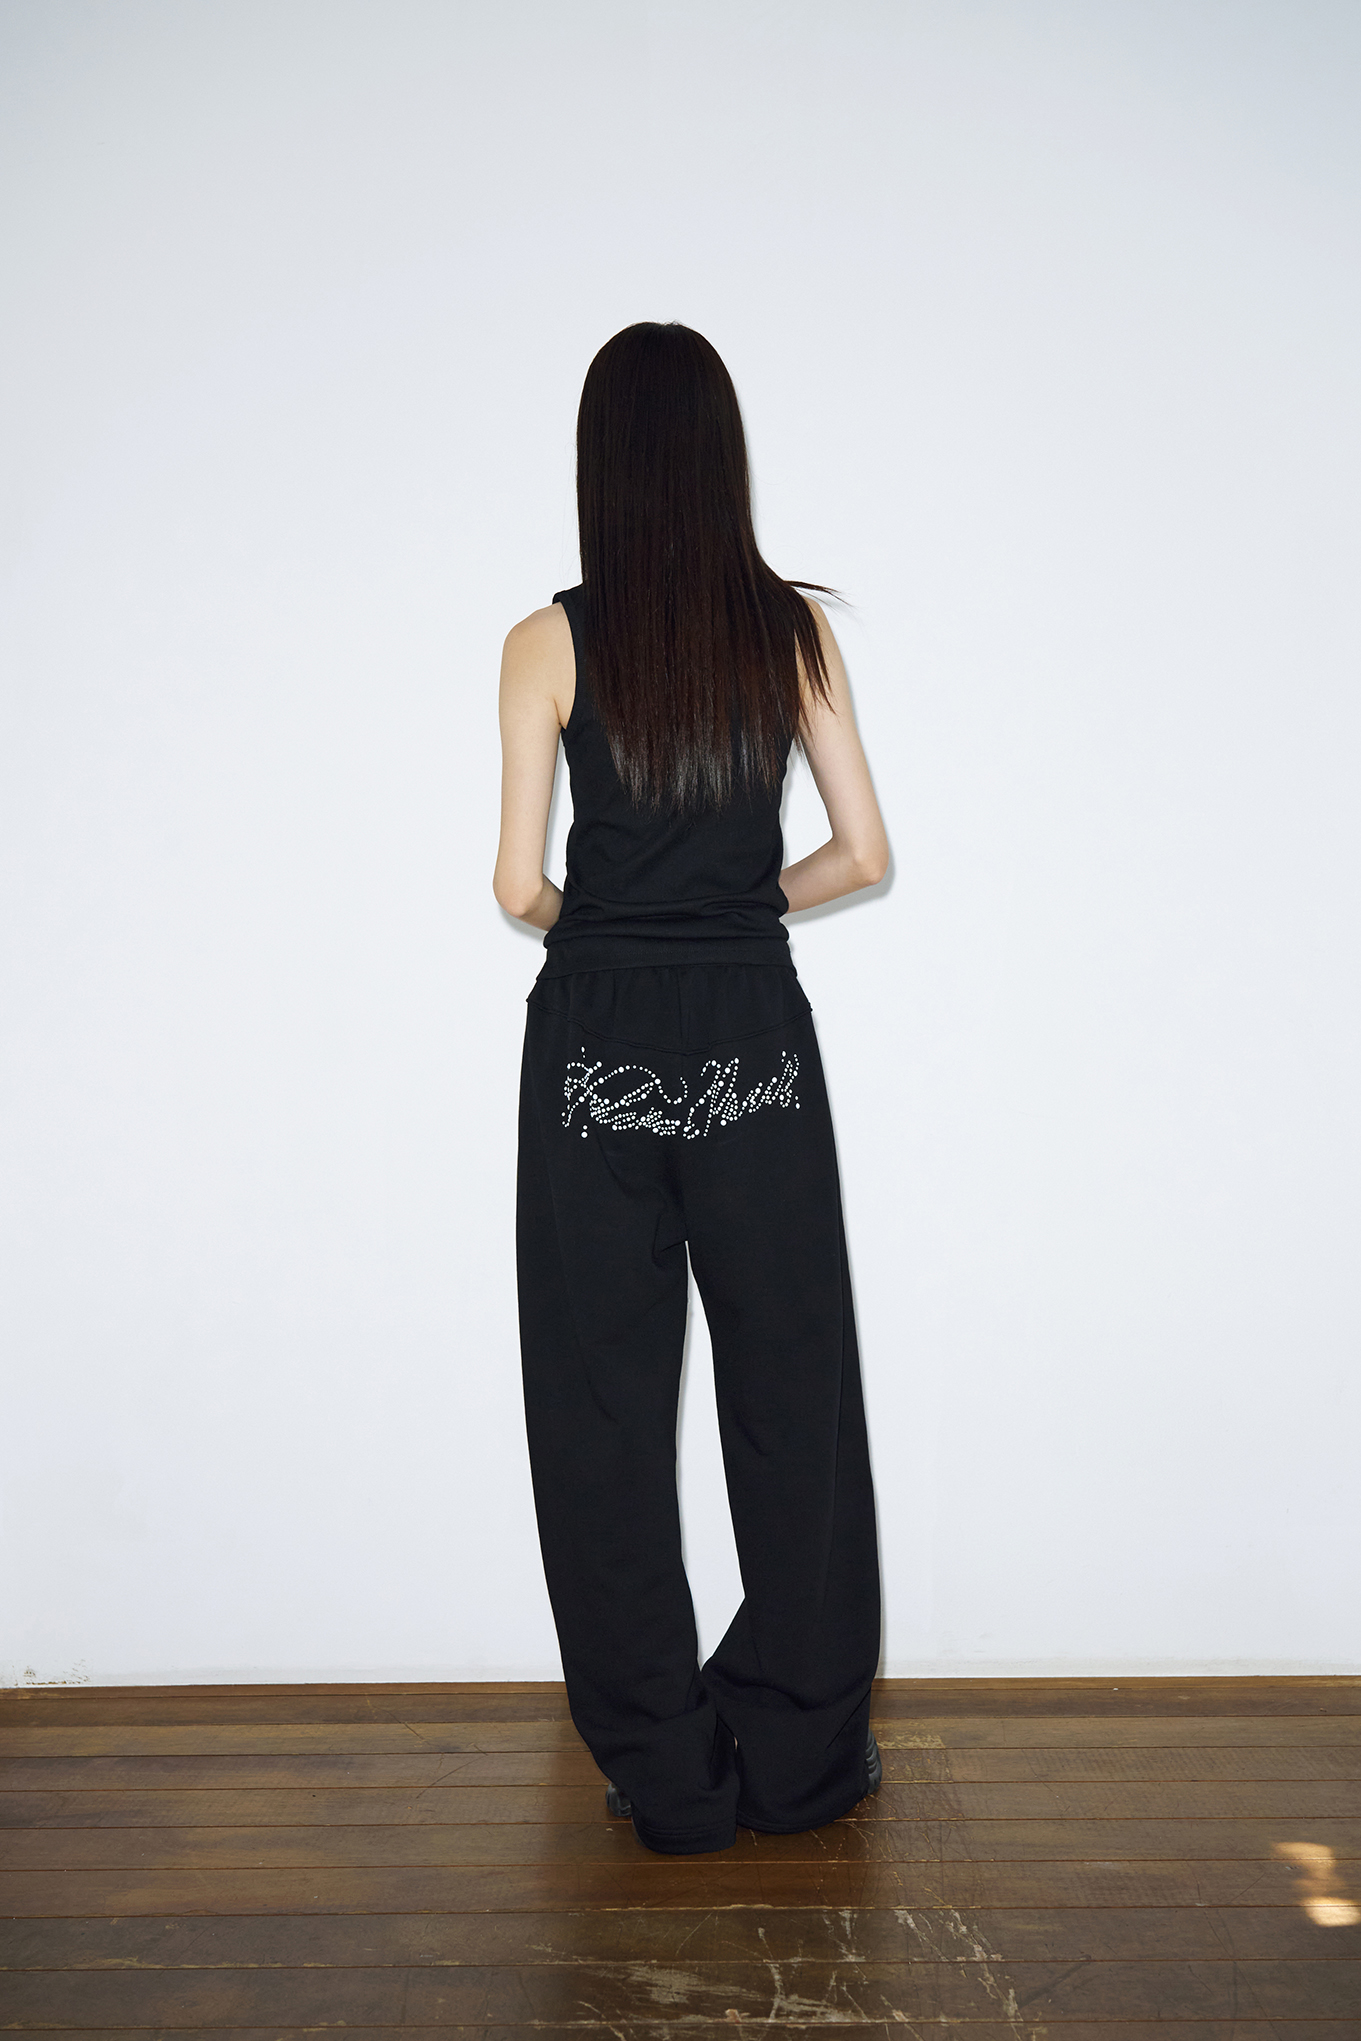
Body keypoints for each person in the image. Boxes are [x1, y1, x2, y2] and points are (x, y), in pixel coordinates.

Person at [494, 322, 889, 1856]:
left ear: (598, 465)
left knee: (598, 1408)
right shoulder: (788, 632)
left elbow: (516, 887)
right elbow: (861, 853)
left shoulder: (545, 640)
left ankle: (665, 1770)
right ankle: (800, 1756)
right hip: (751, 1040)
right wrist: (729, 910)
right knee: (793, 1392)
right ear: (722, 459)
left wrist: (610, 924)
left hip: (593, 1046)